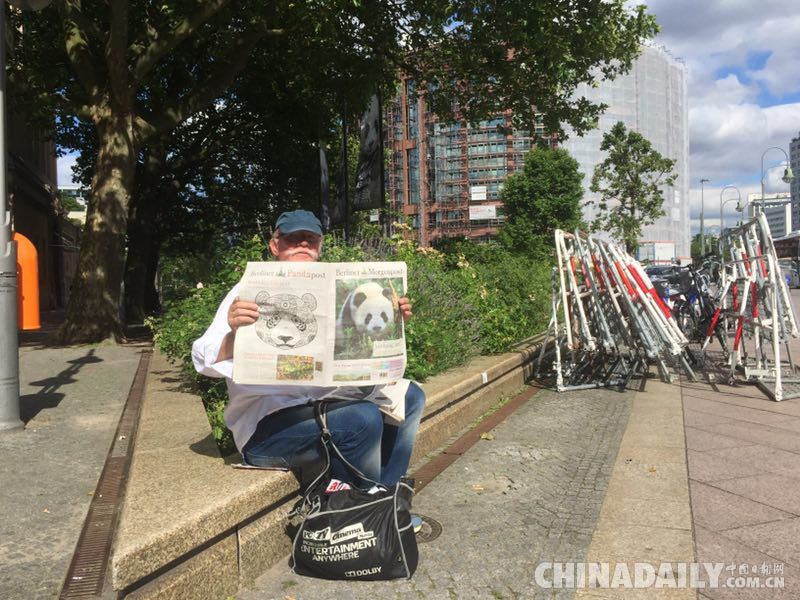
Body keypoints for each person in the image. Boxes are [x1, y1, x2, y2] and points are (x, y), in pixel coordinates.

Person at [192, 209, 425, 488]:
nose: (303, 243)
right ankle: (356, 506)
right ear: (274, 245)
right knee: (362, 418)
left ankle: (385, 498)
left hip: (329, 406)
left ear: (320, 247)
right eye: (293, 238)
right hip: (267, 427)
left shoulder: (332, 291)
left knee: (411, 396)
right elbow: (202, 359)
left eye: (311, 239)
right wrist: (233, 334)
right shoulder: (246, 292)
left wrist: (394, 326)